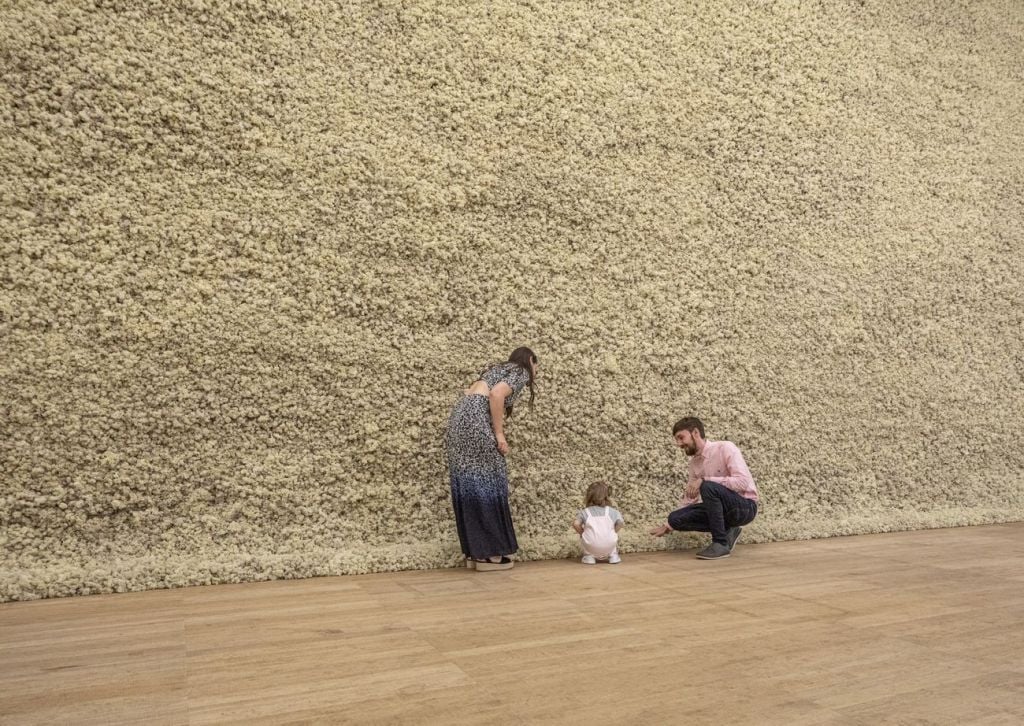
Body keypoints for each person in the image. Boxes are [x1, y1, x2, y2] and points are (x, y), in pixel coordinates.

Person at [445, 347, 538, 571]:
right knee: (490, 481)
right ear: (530, 360)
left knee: (468, 483)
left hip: (459, 421)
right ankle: (489, 554)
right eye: (537, 365)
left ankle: (475, 552)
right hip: (476, 423)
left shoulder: (496, 370)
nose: (536, 372)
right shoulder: (520, 370)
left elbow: (470, 393)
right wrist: (499, 433)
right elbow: (497, 394)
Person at [650, 417, 758, 560]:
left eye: (681, 438)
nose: (678, 444)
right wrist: (669, 524)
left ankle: (720, 543)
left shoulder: (725, 447)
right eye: (677, 440)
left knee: (708, 487)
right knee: (675, 518)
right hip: (721, 511)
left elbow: (742, 482)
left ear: (695, 433)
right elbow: (690, 497)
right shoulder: (694, 463)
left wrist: (705, 480)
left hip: (745, 507)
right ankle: (728, 530)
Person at [572, 482, 624, 564]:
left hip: (591, 545)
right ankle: (613, 556)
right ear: (607, 496)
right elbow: (620, 523)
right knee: (613, 536)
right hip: (609, 545)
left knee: (586, 536)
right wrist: (614, 531)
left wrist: (582, 533)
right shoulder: (613, 511)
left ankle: (589, 557)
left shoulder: (585, 512)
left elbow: (575, 524)